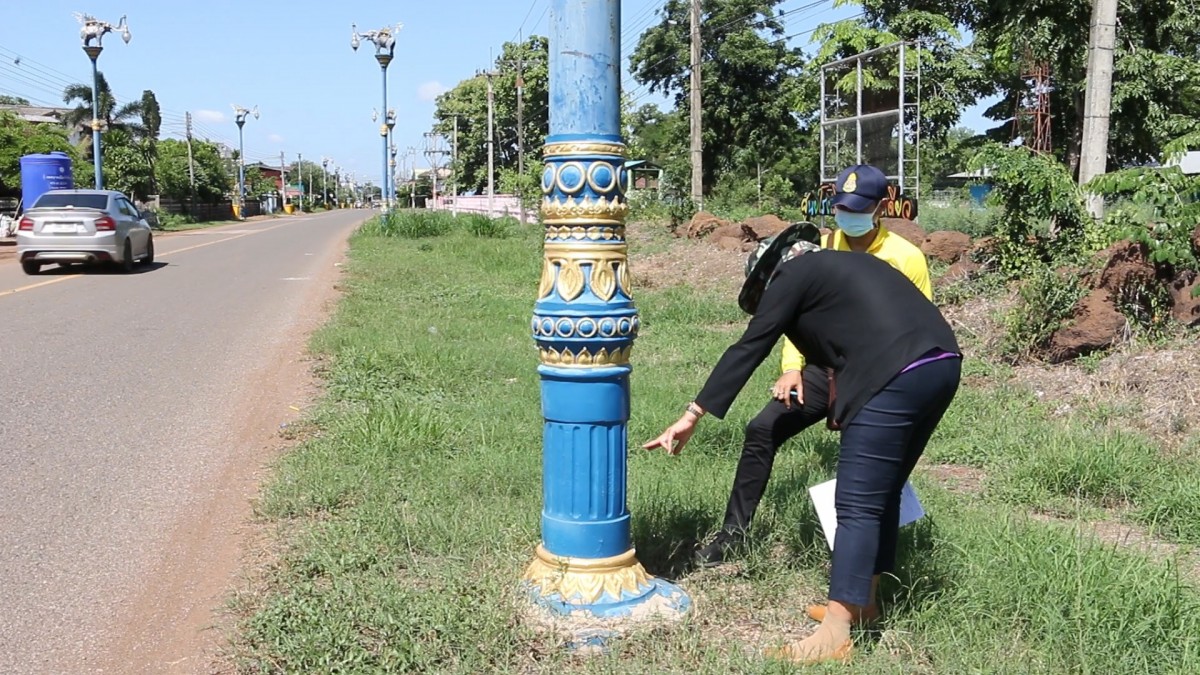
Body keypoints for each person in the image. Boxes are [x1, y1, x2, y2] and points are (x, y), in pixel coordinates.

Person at [643, 237, 961, 664]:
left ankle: (835, 634)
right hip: (940, 364)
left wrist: (693, 413)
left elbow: (751, 344)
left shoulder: (794, 273)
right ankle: (863, 605)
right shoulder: (851, 267)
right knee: (882, 492)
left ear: (771, 274)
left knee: (856, 504)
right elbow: (844, 342)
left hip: (893, 375)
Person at [696, 164, 933, 570]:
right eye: (841, 206)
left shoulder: (905, 256)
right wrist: (791, 367)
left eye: (859, 207)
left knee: (868, 459)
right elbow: (795, 315)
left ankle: (869, 562)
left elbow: (917, 324)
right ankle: (732, 534)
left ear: (880, 208)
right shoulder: (817, 248)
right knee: (763, 429)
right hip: (823, 367)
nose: (848, 214)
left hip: (878, 374)